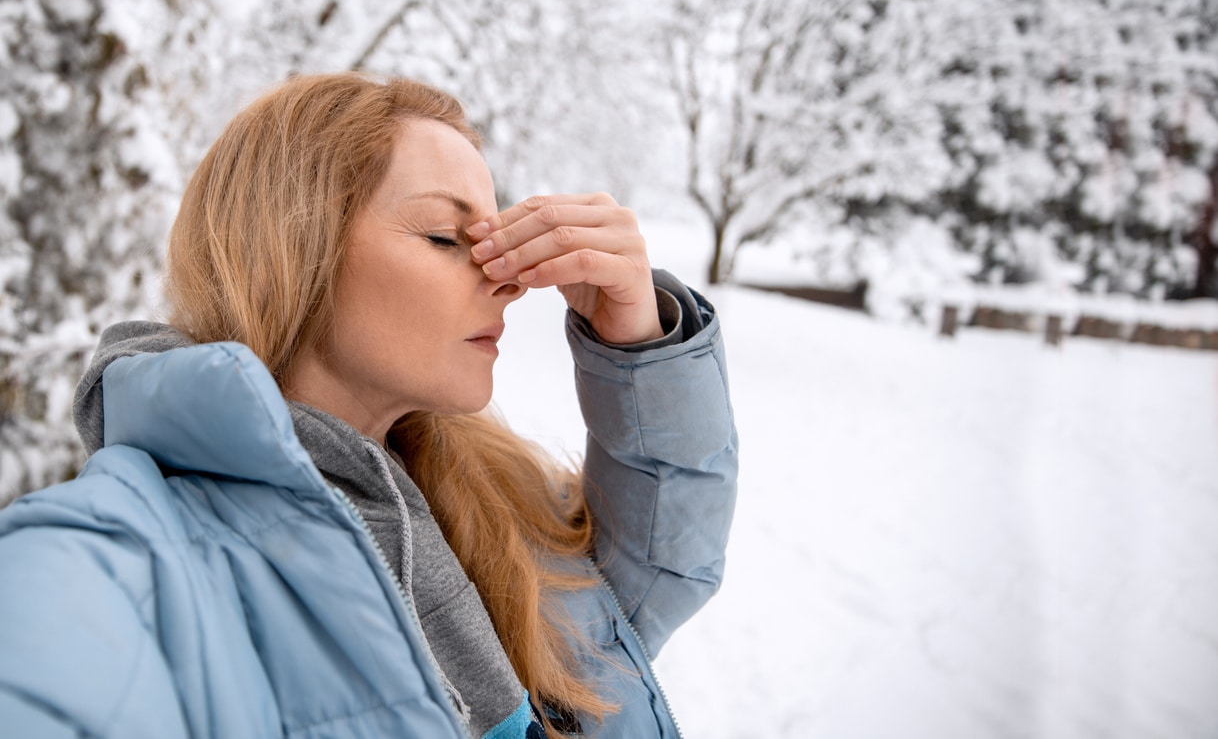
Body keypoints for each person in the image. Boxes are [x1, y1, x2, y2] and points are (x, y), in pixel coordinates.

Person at [0, 73, 737, 738]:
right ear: (295, 247)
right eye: (447, 235)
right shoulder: (130, 552)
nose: (508, 280)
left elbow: (649, 578)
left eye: (498, 233)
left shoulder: (476, 483)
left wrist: (638, 336)